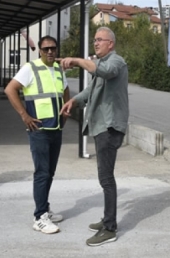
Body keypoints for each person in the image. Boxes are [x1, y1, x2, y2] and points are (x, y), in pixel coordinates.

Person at [59, 26, 129, 247]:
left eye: (100, 40)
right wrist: (74, 101)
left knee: (106, 179)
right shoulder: (100, 67)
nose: (96, 43)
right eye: (94, 39)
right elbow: (91, 92)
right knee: (105, 178)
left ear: (111, 43)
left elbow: (105, 72)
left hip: (109, 127)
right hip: (101, 127)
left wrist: (78, 61)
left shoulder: (117, 62)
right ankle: (107, 219)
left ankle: (110, 228)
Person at [4, 36, 69, 234]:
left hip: (55, 128)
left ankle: (45, 209)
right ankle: (39, 217)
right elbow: (10, 89)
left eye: (53, 48)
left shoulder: (58, 69)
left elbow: (65, 92)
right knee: (41, 173)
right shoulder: (30, 68)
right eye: (46, 49)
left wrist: (66, 112)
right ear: (40, 51)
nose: (50, 52)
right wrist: (24, 115)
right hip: (39, 130)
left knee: (49, 172)